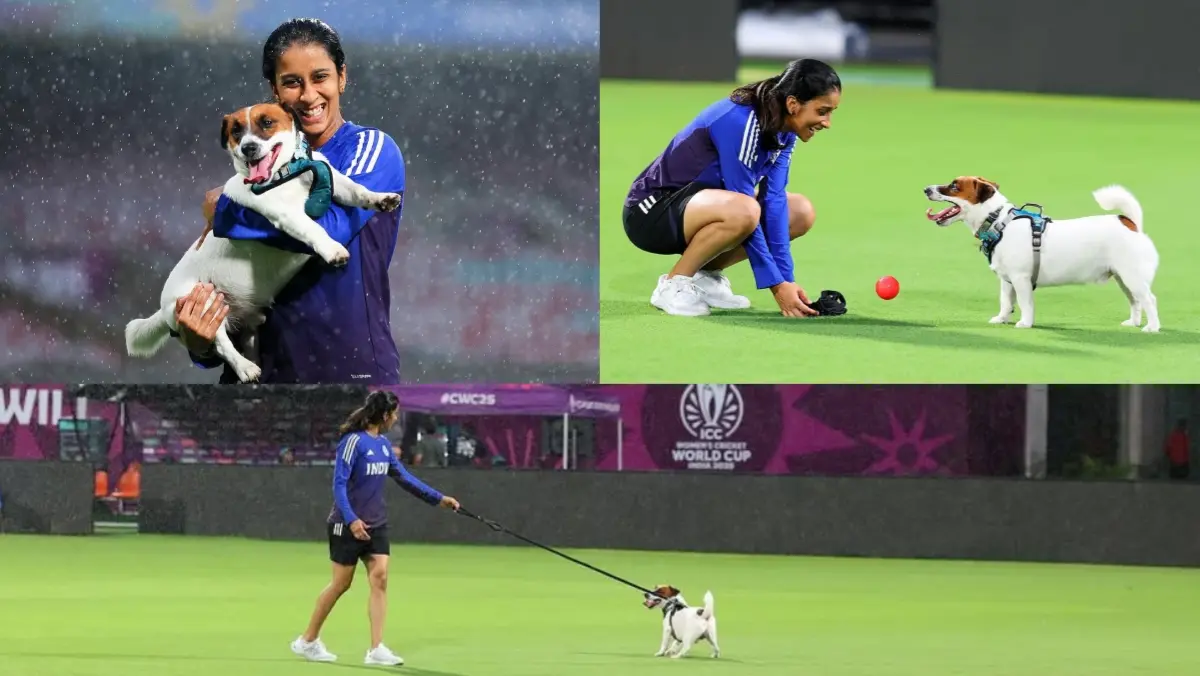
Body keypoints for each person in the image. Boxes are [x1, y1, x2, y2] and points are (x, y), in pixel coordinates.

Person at [174, 18, 407, 383]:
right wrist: (199, 342)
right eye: (292, 82)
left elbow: (328, 228)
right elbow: (226, 290)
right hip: (257, 384)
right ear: (275, 91)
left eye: (320, 77)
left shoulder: (369, 149)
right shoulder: (248, 179)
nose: (309, 95)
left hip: (350, 379)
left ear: (342, 77)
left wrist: (226, 213)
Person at [621, 58, 842, 317]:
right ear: (793, 104)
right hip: (650, 212)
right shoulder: (743, 122)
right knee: (745, 211)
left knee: (799, 212)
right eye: (822, 111)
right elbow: (744, 206)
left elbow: (774, 201)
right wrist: (776, 286)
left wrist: (787, 280)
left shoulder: (784, 131)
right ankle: (674, 284)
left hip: (699, 208)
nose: (827, 122)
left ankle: (706, 276)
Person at [291, 390, 461, 665]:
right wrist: (352, 520)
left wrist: (438, 499)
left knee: (380, 578)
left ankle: (377, 648)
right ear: (384, 415)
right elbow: (339, 485)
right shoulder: (352, 443)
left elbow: (404, 478)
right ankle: (307, 641)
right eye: (394, 414)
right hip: (346, 524)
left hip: (376, 524)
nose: (396, 418)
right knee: (340, 584)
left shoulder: (382, 445)